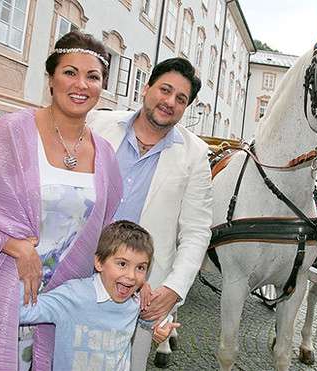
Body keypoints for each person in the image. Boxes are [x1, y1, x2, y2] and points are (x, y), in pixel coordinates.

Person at [0, 31, 122, 370]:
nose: (81, 84)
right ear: (51, 78)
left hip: (63, 300)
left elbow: (104, 231)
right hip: (3, 290)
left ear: (101, 86)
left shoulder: (105, 154)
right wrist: (15, 245)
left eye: (92, 76)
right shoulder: (11, 131)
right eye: (69, 72)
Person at [87, 57, 213, 370]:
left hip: (142, 294)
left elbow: (197, 231)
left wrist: (174, 288)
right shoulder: (97, 125)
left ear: (186, 108)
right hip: (78, 273)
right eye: (165, 90)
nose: (170, 101)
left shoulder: (195, 155)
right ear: (147, 88)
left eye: (180, 99)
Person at [20, 220, 179, 370]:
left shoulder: (135, 300)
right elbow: (23, 313)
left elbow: (153, 317)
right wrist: (16, 260)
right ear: (99, 262)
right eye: (122, 264)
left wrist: (161, 327)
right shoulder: (73, 295)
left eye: (140, 268)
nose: (131, 275)